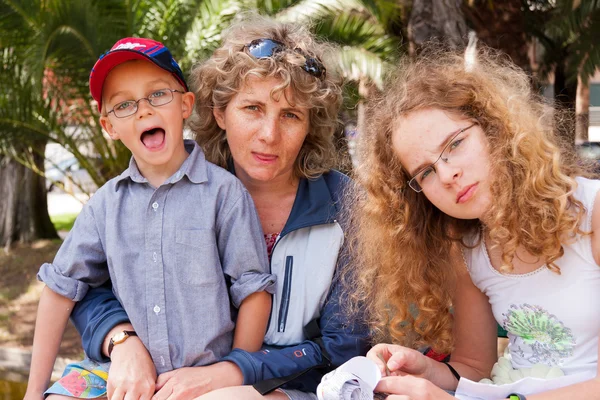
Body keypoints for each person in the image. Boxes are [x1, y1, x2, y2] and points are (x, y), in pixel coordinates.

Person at [63, 16, 368, 400]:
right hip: (173, 378)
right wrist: (122, 341)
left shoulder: (347, 207)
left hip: (302, 388)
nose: (269, 135)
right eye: (252, 108)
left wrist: (237, 370)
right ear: (220, 113)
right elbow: (85, 285)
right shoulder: (178, 183)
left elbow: (343, 347)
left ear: (311, 125)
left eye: (290, 115)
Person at [24, 37, 275, 400]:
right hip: (117, 374)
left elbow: (253, 290)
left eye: (158, 95)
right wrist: (33, 392)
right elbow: (59, 290)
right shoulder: (104, 206)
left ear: (185, 105)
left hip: (201, 376)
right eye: (124, 104)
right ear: (109, 126)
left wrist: (237, 371)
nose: (143, 111)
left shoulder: (224, 194)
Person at [348, 45, 600, 399]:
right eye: (426, 172)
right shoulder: (467, 247)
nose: (448, 174)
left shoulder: (593, 211)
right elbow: (473, 367)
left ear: (496, 129)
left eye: (454, 144)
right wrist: (426, 370)